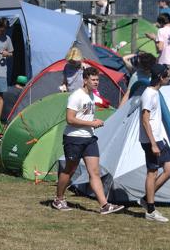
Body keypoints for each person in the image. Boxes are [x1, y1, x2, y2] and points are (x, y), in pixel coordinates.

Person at [52, 67, 124, 215]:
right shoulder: (76, 96)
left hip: (89, 139)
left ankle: (104, 205)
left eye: (98, 80)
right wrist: (92, 123)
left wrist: (92, 124)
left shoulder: (92, 96)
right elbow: (70, 119)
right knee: (70, 169)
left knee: (95, 172)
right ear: (85, 80)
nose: (96, 82)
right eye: (93, 80)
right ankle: (58, 199)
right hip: (74, 138)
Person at [139, 64, 170, 222]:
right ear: (160, 77)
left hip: (159, 138)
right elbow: (145, 120)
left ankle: (146, 199)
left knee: (169, 170)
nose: (169, 78)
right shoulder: (149, 94)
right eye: (167, 75)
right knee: (152, 173)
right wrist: (153, 144)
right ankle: (151, 210)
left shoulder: (155, 92)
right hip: (151, 140)